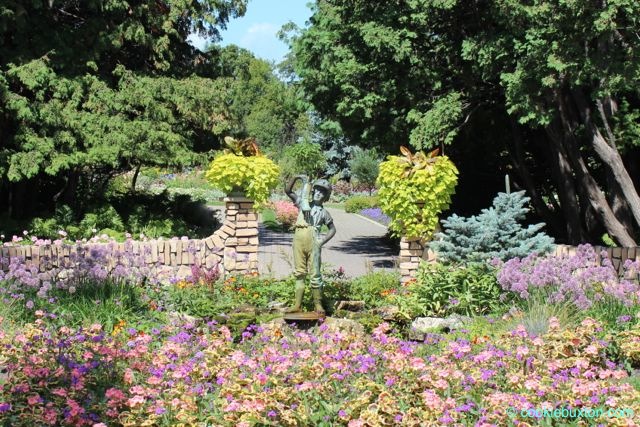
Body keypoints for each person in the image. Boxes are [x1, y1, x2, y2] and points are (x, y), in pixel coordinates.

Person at [284, 175, 336, 315]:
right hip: (299, 238)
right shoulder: (303, 202)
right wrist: (296, 178)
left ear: (326, 197)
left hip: (314, 240)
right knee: (299, 273)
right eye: (317, 190)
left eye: (323, 192)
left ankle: (318, 305)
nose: (319, 193)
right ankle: (297, 305)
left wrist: (322, 241)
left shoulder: (324, 213)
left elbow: (332, 229)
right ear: (313, 191)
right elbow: (288, 191)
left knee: (315, 274)